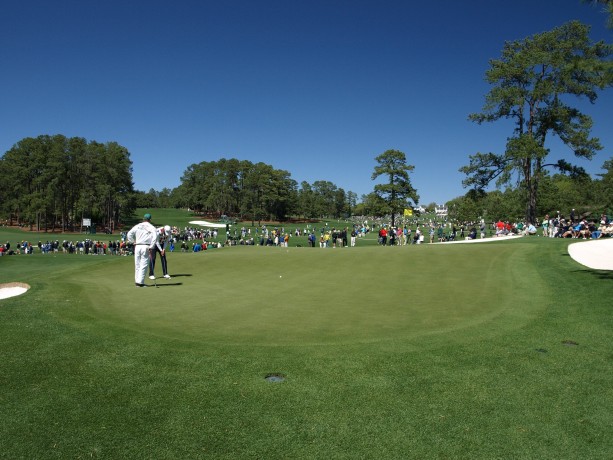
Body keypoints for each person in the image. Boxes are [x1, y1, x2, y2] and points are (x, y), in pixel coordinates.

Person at [127, 213, 158, 287]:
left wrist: (132, 241)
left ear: (143, 218)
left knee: (137, 264)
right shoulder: (152, 227)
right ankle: (140, 282)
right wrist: (151, 246)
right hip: (146, 246)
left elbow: (129, 234)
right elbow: (155, 237)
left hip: (137, 246)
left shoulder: (137, 226)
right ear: (150, 219)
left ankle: (137, 281)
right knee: (144, 264)